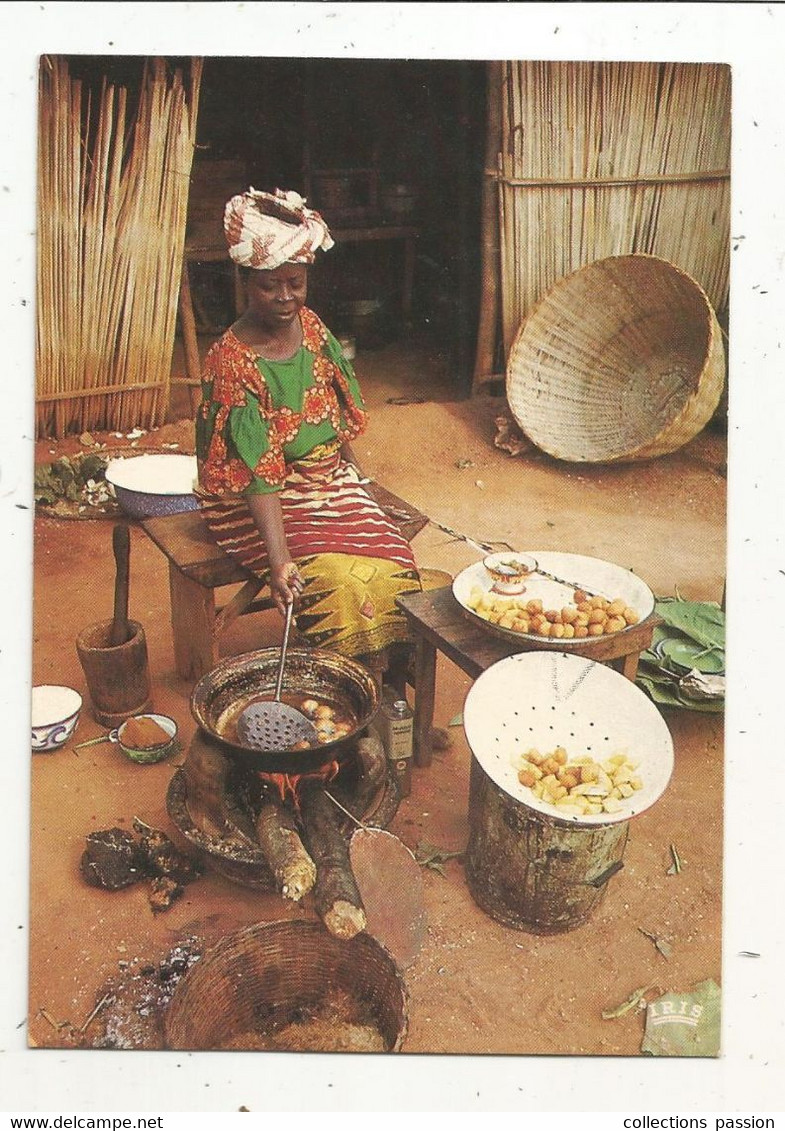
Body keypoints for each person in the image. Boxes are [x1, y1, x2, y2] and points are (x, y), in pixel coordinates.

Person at [195, 187, 422, 686]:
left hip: (327, 480)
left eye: (295, 284)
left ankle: (391, 691)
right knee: (327, 581)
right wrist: (278, 563)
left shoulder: (312, 329)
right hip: (254, 500)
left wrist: (356, 479)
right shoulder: (233, 361)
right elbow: (257, 473)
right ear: (245, 283)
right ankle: (338, 689)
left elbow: (335, 413)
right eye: (269, 286)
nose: (284, 298)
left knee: (397, 564)